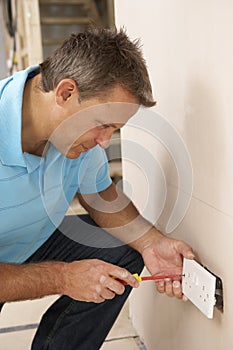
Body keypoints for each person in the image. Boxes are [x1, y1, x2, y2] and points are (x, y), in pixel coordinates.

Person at [0, 28, 194, 350]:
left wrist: (151, 243)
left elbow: (100, 194)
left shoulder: (77, 141)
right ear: (65, 92)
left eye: (114, 130)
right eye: (102, 124)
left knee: (119, 251)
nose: (105, 142)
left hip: (26, 241)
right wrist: (64, 277)